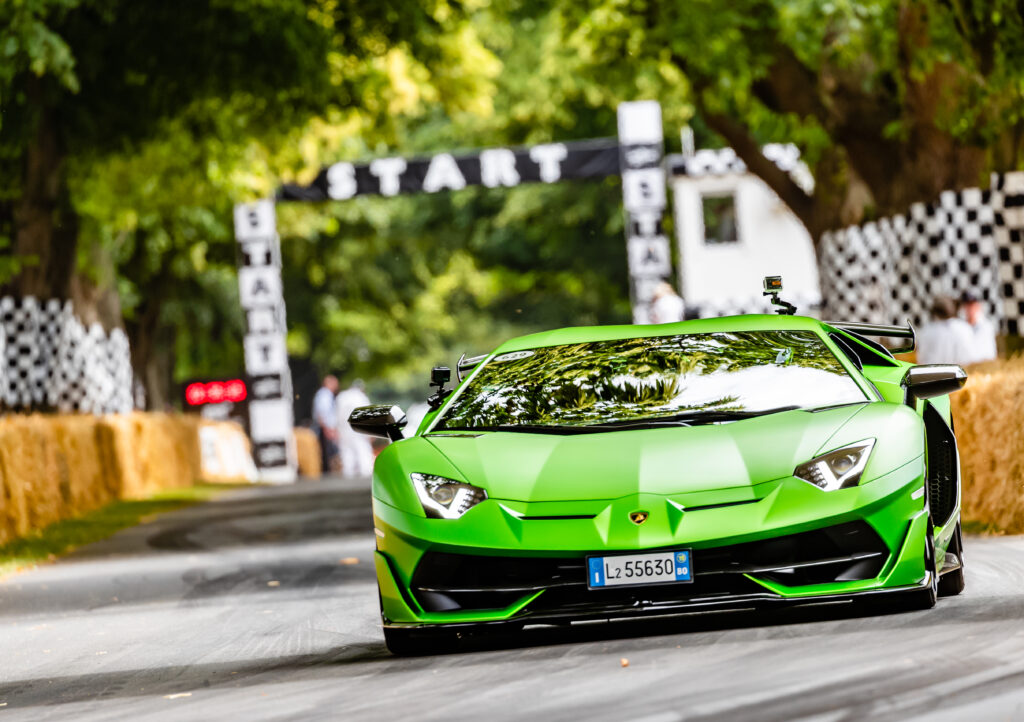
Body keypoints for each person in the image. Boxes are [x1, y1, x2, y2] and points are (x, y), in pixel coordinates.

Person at [916, 296, 976, 365]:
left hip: (931, 373)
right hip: (958, 373)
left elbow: (921, 359)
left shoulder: (926, 330)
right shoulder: (964, 328)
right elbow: (970, 359)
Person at [335, 379, 375, 478]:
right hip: (359, 429)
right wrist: (371, 432)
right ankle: (366, 477)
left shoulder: (342, 397)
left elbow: (337, 416)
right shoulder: (361, 397)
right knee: (363, 452)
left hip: (344, 429)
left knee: (347, 453)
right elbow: (367, 415)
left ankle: (348, 475)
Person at [311, 375, 339, 474]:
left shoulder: (324, 394)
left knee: (328, 452)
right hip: (325, 428)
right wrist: (328, 429)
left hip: (325, 427)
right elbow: (322, 413)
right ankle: (328, 472)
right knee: (328, 453)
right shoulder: (325, 395)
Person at [960, 291, 997, 363]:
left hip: (983, 367)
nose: (969, 308)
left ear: (978, 306)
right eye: (967, 305)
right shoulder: (961, 325)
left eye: (972, 305)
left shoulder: (985, 326)